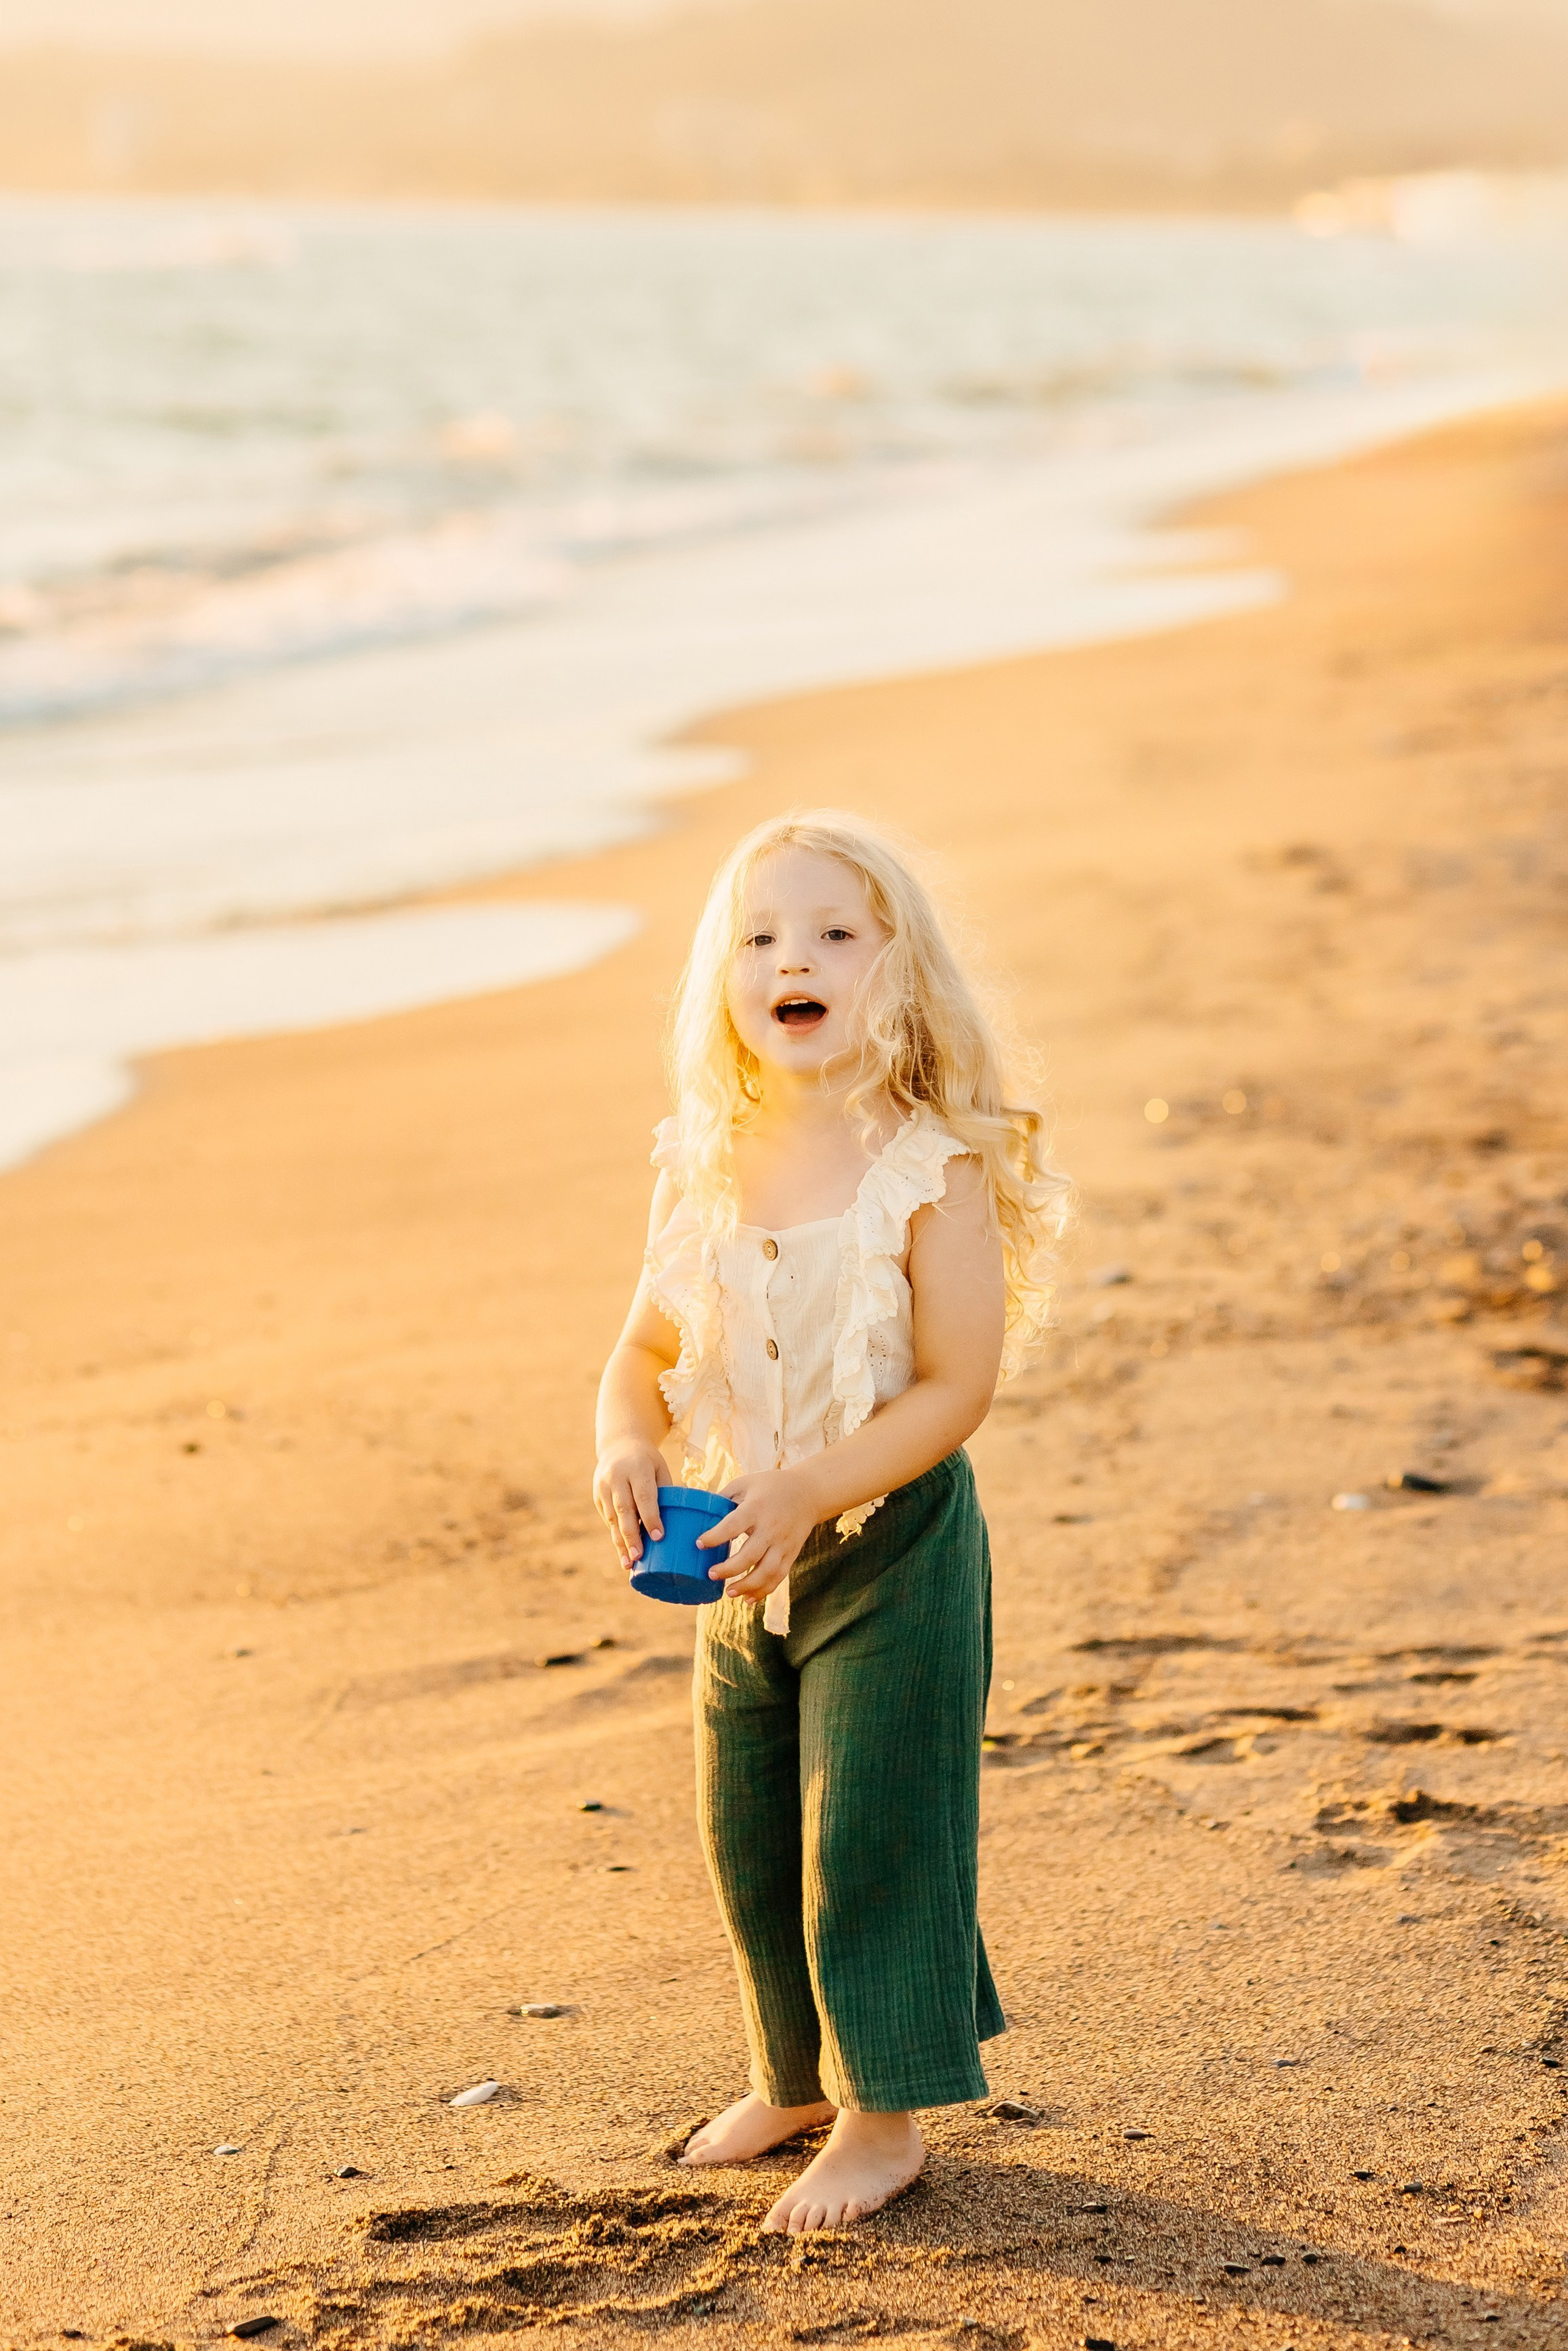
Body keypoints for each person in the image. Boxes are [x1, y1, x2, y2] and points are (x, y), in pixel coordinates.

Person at [592, 811, 1069, 2234]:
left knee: (875, 1827)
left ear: (899, 974)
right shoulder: (703, 1161)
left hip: (892, 1548)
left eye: (832, 934)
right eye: (757, 936)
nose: (790, 957)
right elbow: (639, 1352)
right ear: (720, 983)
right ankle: (789, 2077)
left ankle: (881, 2115)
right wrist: (625, 1437)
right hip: (740, 1558)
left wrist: (813, 1487)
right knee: (746, 1829)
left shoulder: (929, 1168)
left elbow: (955, 1388)